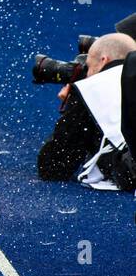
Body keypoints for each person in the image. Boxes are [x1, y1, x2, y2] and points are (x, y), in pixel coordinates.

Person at [38, 32, 136, 185]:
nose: (87, 73)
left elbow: (53, 168)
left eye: (88, 67)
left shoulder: (92, 88)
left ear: (104, 61)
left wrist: (74, 105)